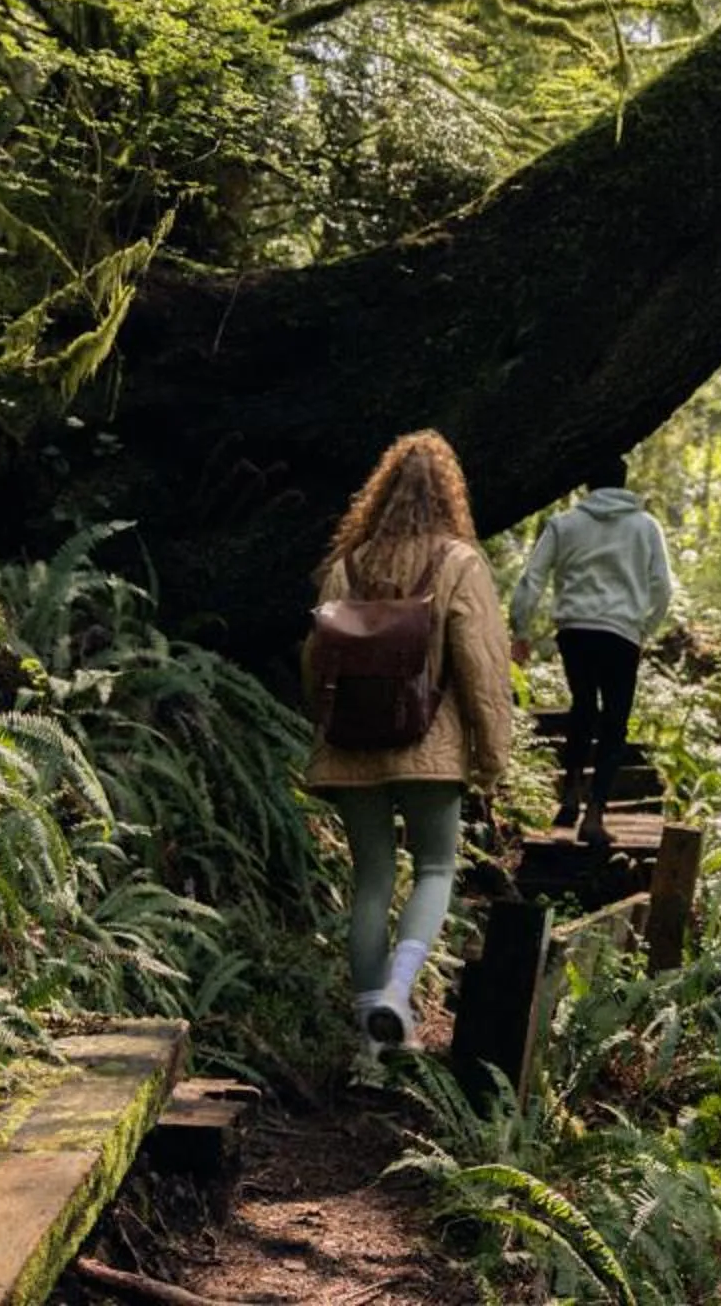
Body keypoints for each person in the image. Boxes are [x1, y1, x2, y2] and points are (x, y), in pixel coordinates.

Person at [304, 430, 511, 1049]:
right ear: (450, 495)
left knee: (370, 877)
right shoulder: (459, 564)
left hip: (352, 745)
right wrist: (492, 757)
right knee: (436, 866)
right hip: (431, 747)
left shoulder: (347, 567)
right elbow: (482, 666)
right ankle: (398, 991)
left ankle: (372, 1037)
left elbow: (317, 662)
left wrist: (329, 722)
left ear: (381, 493)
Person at [509, 455, 674, 846]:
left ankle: (569, 794)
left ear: (586, 487)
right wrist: (643, 630)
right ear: (624, 483)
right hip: (622, 634)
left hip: (575, 631)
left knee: (583, 705)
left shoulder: (564, 524)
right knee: (615, 721)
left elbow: (533, 577)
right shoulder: (645, 527)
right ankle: (595, 815)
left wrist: (521, 629)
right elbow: (662, 588)